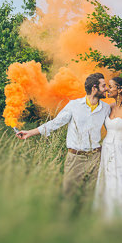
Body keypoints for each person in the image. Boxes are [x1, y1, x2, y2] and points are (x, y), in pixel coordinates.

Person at [16, 73, 110, 210]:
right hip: (75, 157)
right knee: (69, 195)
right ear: (95, 88)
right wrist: (30, 133)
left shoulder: (106, 108)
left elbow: (111, 129)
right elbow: (56, 123)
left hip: (96, 157)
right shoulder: (74, 105)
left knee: (91, 196)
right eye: (104, 86)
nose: (106, 89)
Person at [93, 76, 122, 220]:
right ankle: (105, 215)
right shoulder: (109, 107)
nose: (107, 89)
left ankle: (120, 217)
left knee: (119, 181)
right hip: (106, 148)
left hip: (119, 150)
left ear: (119, 89)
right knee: (107, 180)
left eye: (110, 86)